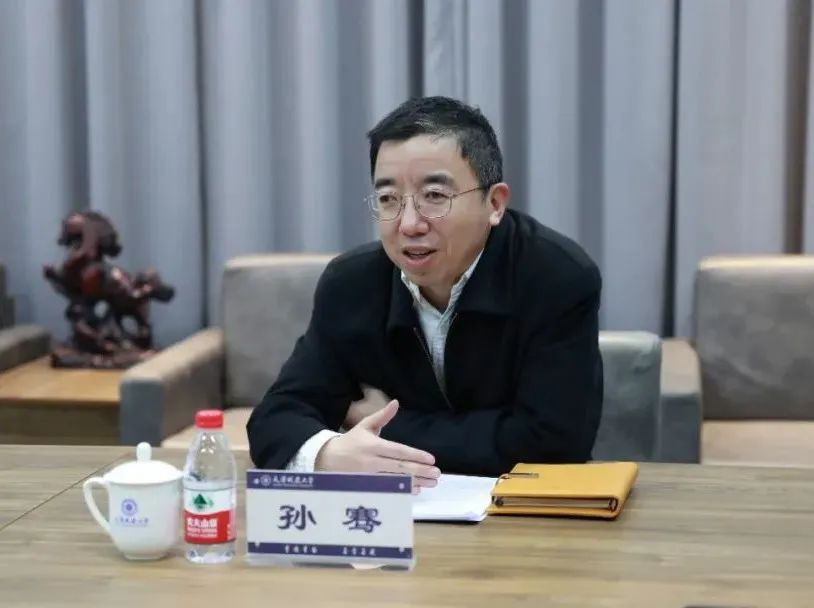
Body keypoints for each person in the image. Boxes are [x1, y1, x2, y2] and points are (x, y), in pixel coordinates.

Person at [247, 96, 603, 486]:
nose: (409, 224)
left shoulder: (556, 276)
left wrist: (391, 428)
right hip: (399, 514)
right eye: (388, 199)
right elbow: (275, 419)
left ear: (495, 203)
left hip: (525, 509)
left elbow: (554, 443)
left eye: (434, 196)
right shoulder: (351, 285)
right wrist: (328, 453)